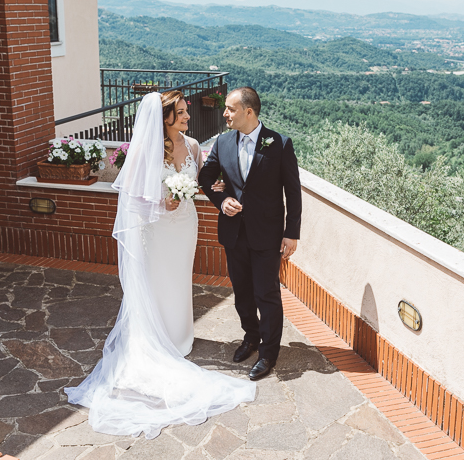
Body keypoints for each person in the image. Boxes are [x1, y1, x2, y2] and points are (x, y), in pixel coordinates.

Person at [65, 91, 256, 439]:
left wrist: (225, 188)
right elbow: (134, 200)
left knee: (179, 279)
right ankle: (158, 338)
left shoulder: (195, 145)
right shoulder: (147, 151)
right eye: (181, 113)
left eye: (185, 112)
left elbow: (203, 181)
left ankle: (180, 337)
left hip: (185, 226)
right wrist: (161, 205)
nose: (187, 117)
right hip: (157, 229)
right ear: (164, 118)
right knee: (157, 280)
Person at [198, 86, 302, 381]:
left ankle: (269, 353)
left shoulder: (279, 144)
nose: (225, 114)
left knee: (266, 294)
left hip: (267, 234)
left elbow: (293, 193)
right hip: (234, 233)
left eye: (230, 109)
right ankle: (251, 338)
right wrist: (222, 200)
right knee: (242, 292)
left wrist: (291, 233)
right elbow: (207, 176)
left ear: (249, 112)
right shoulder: (222, 141)